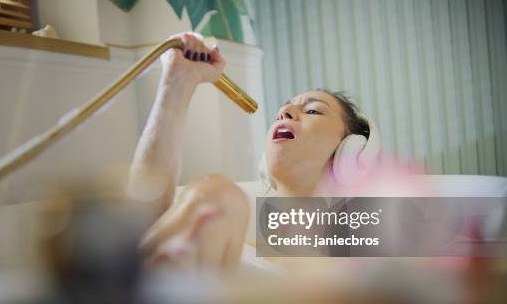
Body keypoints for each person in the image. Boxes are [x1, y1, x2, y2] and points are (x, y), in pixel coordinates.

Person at [126, 32, 371, 271]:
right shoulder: (226, 237)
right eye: (283, 110)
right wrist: (177, 82)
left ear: (351, 153)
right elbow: (140, 224)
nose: (284, 113)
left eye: (313, 111)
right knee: (217, 195)